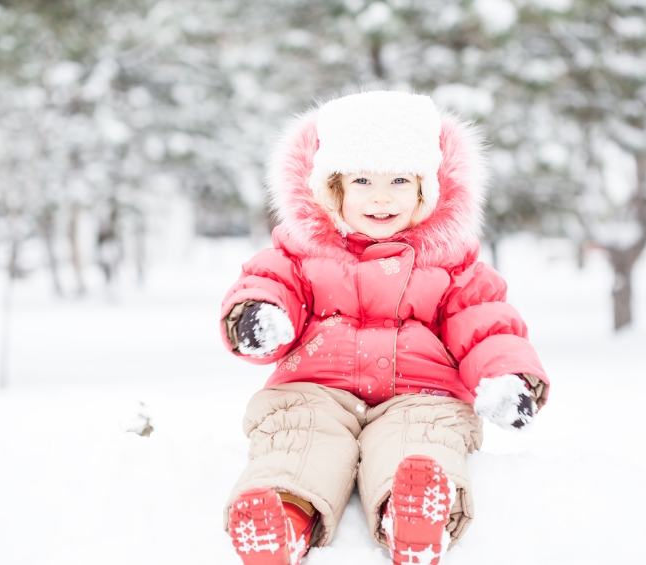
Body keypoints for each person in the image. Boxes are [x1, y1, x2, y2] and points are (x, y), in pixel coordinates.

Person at [219, 91, 549, 565]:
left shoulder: (452, 262)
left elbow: (485, 323)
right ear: (334, 188)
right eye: (362, 180)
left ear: (425, 188)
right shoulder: (300, 251)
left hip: (420, 392)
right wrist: (259, 317)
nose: (381, 195)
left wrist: (506, 378)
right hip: (317, 386)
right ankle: (280, 515)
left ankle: (414, 512)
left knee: (423, 436)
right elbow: (270, 283)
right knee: (297, 434)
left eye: (399, 179)